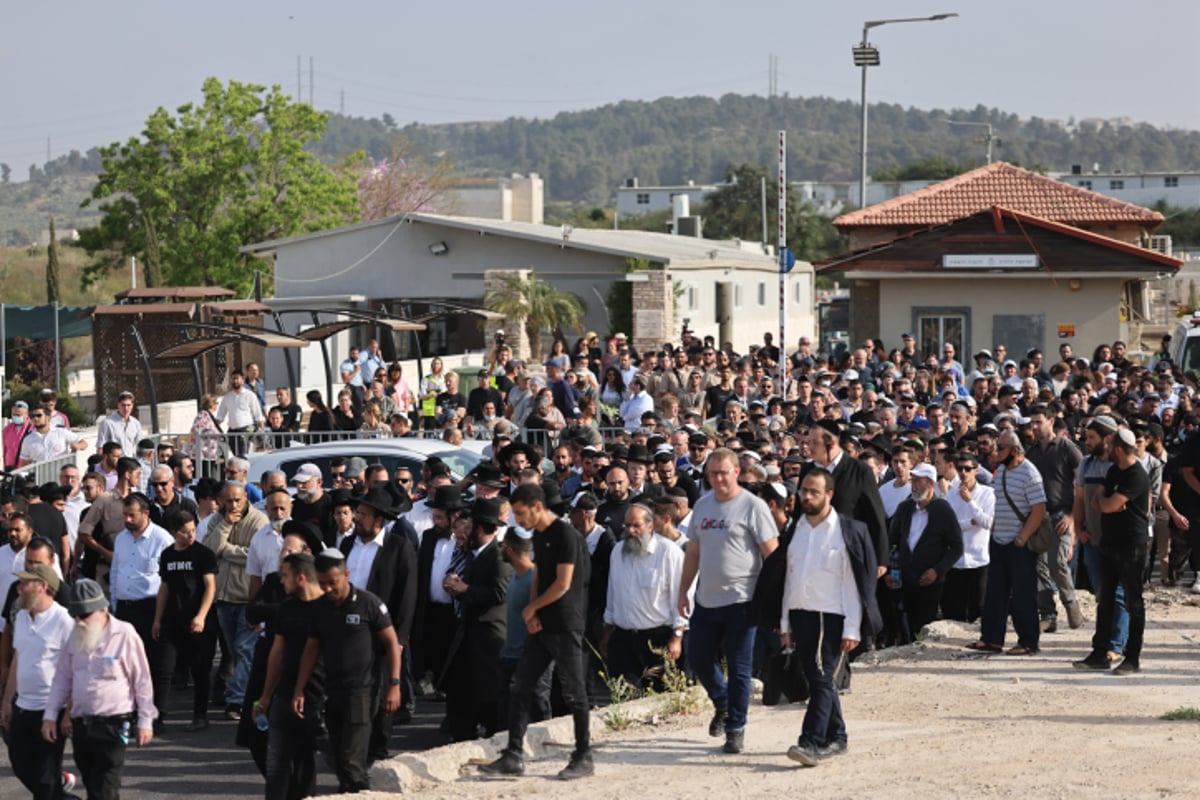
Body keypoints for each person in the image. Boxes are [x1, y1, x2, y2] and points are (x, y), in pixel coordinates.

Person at [480, 483, 593, 780]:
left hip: (566, 623)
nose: (517, 520)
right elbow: (539, 575)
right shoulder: (540, 535)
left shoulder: (565, 533)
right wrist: (532, 610)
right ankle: (513, 754)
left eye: (520, 513)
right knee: (520, 686)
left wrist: (532, 609)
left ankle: (583, 755)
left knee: (574, 692)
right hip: (542, 624)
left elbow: (563, 583)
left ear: (538, 507)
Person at [677, 448, 778, 755]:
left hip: (742, 600)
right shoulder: (703, 506)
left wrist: (773, 600)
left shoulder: (753, 506)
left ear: (737, 472)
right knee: (698, 659)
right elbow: (693, 552)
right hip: (706, 599)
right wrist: (683, 590)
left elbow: (771, 554)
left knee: (739, 667)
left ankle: (735, 727)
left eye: (723, 472)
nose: (718, 478)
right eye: (712, 473)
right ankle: (722, 703)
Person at [781, 469, 881, 767]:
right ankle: (837, 736)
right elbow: (788, 577)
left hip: (831, 617)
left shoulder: (846, 531)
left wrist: (852, 626)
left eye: (814, 492)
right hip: (800, 614)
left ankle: (810, 742)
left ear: (829, 495)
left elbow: (855, 584)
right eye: (803, 492)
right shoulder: (796, 529)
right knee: (817, 679)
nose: (807, 497)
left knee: (823, 680)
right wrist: (785, 623)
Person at [293, 549, 402, 794]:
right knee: (338, 757)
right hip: (332, 691)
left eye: (333, 583)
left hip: (362, 691)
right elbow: (311, 651)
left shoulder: (368, 603)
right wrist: (300, 689)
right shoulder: (320, 608)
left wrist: (394, 684)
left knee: (351, 761)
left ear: (346, 575)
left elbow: (392, 644)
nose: (328, 589)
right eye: (322, 584)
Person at [42, 578, 156, 800]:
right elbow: (62, 679)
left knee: (105, 786)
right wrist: (50, 716)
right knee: (92, 782)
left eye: (84, 615)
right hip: (82, 724)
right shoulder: (74, 636)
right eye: (75, 615)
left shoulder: (125, 634)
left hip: (114, 725)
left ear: (103, 609)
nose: (79, 621)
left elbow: (141, 679)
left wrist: (145, 721)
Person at [338, 485, 418, 761]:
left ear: (379, 519)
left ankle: (378, 752)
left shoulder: (399, 548)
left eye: (362, 513)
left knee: (382, 697)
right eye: (357, 512)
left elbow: (408, 598)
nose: (356, 517)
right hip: (348, 633)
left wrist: (401, 640)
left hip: (383, 635)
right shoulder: (347, 543)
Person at [1074, 428, 1149, 675]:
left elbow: (1106, 504)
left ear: (1118, 448)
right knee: (1104, 600)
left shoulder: (1136, 475)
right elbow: (1098, 499)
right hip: (1109, 543)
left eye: (1110, 444)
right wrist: (1107, 503)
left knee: (1133, 602)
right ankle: (1100, 653)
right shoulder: (1114, 470)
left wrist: (1108, 503)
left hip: (1131, 547)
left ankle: (1132, 658)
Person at [441, 497, 512, 741]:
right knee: (460, 693)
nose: (466, 532)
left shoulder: (499, 556)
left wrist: (465, 589)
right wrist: (457, 591)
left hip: (489, 642)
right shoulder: (474, 554)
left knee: (489, 699)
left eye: (470, 527)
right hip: (468, 637)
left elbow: (499, 593)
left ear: (480, 529)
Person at [969, 430, 1046, 655]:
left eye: (1001, 447)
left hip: (1020, 543)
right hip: (999, 539)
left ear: (1014, 450)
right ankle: (991, 639)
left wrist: (1023, 537)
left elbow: (1039, 509)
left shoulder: (1030, 473)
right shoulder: (1001, 470)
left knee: (1023, 595)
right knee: (995, 592)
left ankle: (1028, 642)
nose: (996, 451)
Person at [2, 563, 74, 800]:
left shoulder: (64, 621)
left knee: (44, 779)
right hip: (23, 707)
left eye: (25, 583)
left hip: (50, 709)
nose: (19, 588)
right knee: (22, 767)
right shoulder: (21, 617)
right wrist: (6, 701)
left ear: (42, 587)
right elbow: (18, 660)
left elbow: (76, 670)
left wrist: (67, 713)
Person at [256, 552, 325, 800]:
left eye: (285, 576)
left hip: (318, 699)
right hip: (284, 697)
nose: (281, 581)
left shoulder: (328, 608)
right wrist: (265, 697)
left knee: (310, 765)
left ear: (302, 578)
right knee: (276, 767)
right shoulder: (286, 608)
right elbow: (277, 652)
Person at [601, 505, 686, 691]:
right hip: (623, 638)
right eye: (627, 525)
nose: (631, 531)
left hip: (657, 640)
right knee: (624, 698)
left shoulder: (669, 553)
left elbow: (681, 597)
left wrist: (677, 636)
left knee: (660, 700)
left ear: (650, 526)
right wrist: (607, 632)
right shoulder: (618, 552)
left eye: (636, 526)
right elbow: (613, 594)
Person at [206, 480, 270, 720]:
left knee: (245, 649)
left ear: (246, 497)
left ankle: (236, 700)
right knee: (234, 650)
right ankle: (250, 690)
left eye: (238, 500)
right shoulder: (218, 519)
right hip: (223, 597)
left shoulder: (258, 520)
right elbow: (209, 549)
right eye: (229, 501)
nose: (233, 505)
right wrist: (224, 526)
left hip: (246, 596)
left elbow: (253, 555)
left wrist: (225, 550)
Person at [109, 492, 173, 725]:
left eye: (131, 515)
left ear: (145, 514)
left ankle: (156, 715)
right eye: (124, 515)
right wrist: (115, 605)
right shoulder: (121, 539)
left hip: (151, 607)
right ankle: (132, 711)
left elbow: (167, 579)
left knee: (155, 663)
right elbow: (116, 571)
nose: (126, 520)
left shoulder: (162, 539)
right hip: (126, 609)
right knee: (127, 663)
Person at [151, 510, 218, 732]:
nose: (190, 536)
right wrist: (158, 619)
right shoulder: (168, 555)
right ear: (173, 533)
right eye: (184, 532)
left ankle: (200, 715)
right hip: (172, 619)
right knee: (164, 669)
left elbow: (210, 587)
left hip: (198, 621)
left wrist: (201, 616)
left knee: (200, 669)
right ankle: (157, 716)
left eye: (193, 531)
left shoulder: (204, 554)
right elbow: (164, 587)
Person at [886, 463, 963, 637]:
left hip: (930, 581)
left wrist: (937, 571)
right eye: (913, 480)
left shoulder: (942, 510)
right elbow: (892, 542)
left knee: (923, 625)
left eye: (919, 481)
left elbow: (956, 547)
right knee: (904, 624)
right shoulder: (904, 508)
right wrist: (890, 570)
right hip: (905, 578)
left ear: (931, 485)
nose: (914, 485)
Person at [942, 453, 995, 622]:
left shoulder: (987, 493)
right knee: (955, 609)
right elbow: (949, 526)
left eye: (968, 469)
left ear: (976, 470)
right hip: (956, 561)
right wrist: (970, 522)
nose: (963, 472)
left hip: (978, 559)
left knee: (978, 609)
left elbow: (987, 522)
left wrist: (970, 502)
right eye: (960, 469)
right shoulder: (951, 495)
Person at [17, 403, 86, 466]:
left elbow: (84, 443)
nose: (35, 418)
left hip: (60, 476)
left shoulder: (61, 432)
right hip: (40, 477)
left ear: (48, 417)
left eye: (39, 415)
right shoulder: (28, 439)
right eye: (32, 416)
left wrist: (77, 446)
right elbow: (25, 464)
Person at [96, 391, 143, 456]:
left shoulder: (136, 423)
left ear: (132, 406)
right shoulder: (107, 423)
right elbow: (100, 447)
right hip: (114, 463)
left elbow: (140, 445)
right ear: (118, 405)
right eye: (123, 405)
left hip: (129, 462)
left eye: (128, 405)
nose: (126, 408)